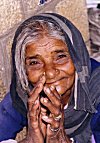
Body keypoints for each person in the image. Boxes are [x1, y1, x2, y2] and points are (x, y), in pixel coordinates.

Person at [0, 13, 100, 143]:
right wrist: (31, 141)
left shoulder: (96, 89)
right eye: (35, 63)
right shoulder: (24, 95)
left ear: (77, 57)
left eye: (60, 57)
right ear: (23, 70)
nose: (50, 73)